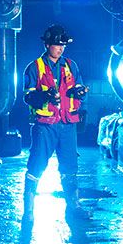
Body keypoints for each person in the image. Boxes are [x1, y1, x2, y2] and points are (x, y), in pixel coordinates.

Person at [21, 24, 89, 222]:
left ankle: (74, 206)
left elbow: (78, 86)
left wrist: (79, 92)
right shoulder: (34, 67)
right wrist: (45, 96)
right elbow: (28, 97)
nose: (60, 48)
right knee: (36, 165)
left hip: (67, 125)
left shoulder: (70, 65)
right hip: (45, 126)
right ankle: (28, 211)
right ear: (47, 44)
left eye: (63, 45)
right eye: (57, 44)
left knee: (70, 167)